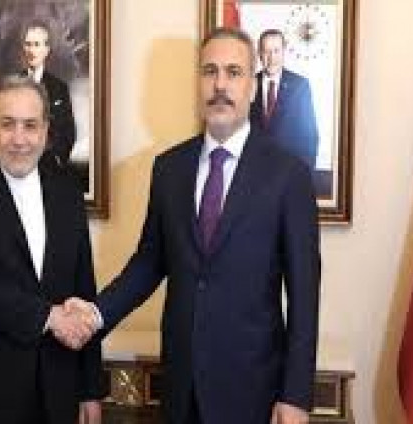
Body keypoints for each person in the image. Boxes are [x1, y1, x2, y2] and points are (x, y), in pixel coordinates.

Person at [67, 27, 321, 424]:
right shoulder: (169, 169)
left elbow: (305, 293)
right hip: (181, 390)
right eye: (209, 71)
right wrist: (95, 316)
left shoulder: (288, 175)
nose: (220, 85)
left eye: (234, 72)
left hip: (254, 392)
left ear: (253, 87)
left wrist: (296, 396)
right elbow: (149, 263)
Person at [0, 74, 104, 423]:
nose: (19, 139)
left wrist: (90, 389)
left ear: (45, 132)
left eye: (30, 125)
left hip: (59, 388)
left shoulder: (68, 193)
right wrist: (50, 317)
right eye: (7, 124)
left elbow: (83, 288)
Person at [250, 29, 319, 170]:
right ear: (259, 54)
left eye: (276, 51)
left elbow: (310, 136)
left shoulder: (300, 86)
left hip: (289, 171)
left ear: (284, 52)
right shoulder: (248, 84)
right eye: (266, 51)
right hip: (254, 170)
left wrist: (304, 174)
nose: (271, 58)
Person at [19, 19, 77, 166]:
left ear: (46, 50)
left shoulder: (59, 88)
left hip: (49, 167)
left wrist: (56, 160)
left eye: (36, 45)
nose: (31, 50)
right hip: (18, 164)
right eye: (28, 44)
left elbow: (68, 131)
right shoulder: (11, 86)